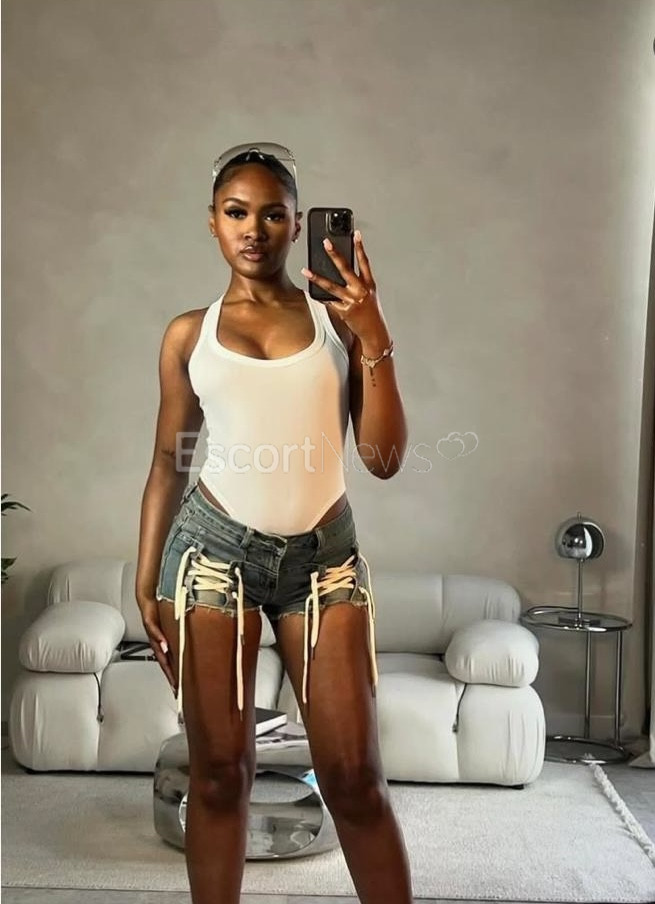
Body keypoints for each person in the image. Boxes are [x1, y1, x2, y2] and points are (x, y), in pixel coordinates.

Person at [135, 143, 413, 904]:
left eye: (273, 215)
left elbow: (384, 458)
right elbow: (169, 461)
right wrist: (146, 577)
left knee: (354, 778)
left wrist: (374, 331)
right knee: (219, 776)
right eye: (236, 213)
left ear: (297, 225)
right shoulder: (188, 334)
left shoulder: (337, 322)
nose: (253, 230)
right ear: (212, 221)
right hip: (210, 558)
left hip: (325, 565)